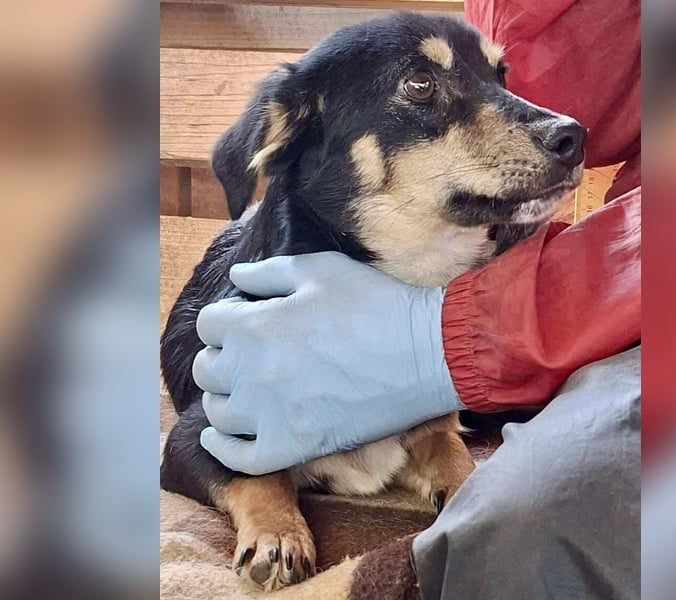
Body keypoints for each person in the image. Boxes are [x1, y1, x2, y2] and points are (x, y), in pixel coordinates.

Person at [193, 1, 641, 598]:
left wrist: (436, 359)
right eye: (421, 86)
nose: (553, 126)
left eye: (494, 77)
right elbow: (201, 438)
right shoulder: (258, 325)